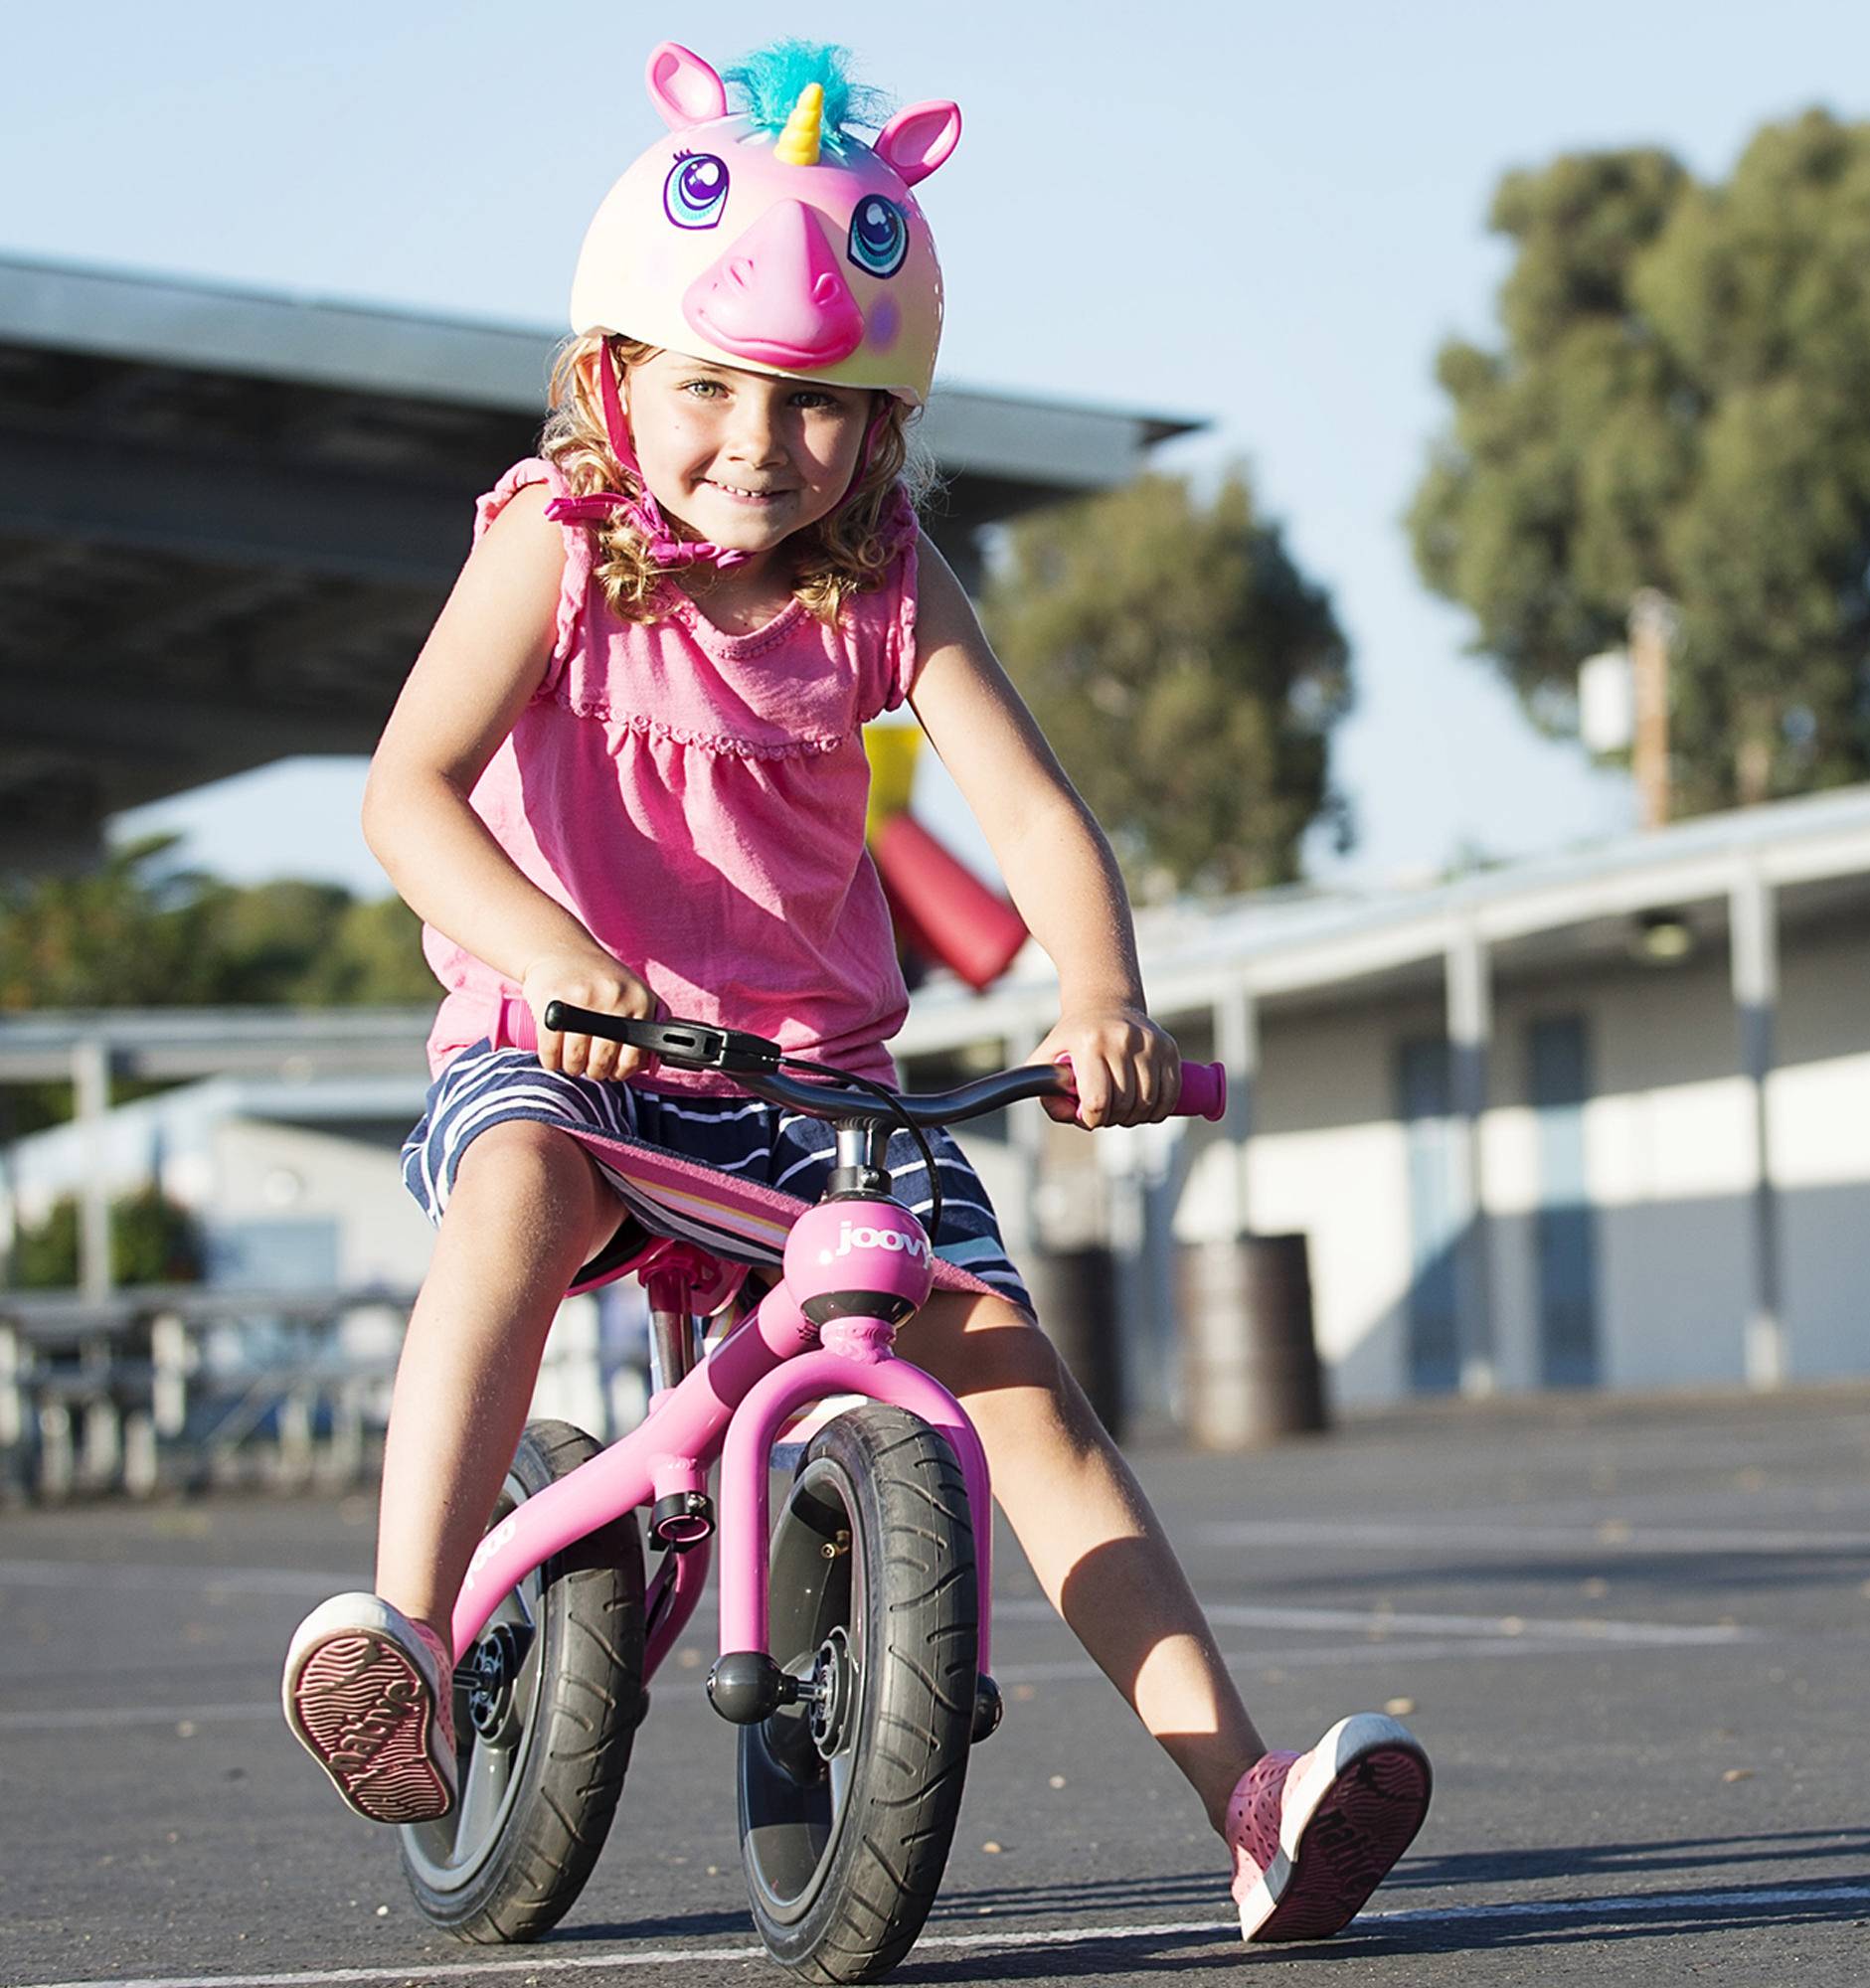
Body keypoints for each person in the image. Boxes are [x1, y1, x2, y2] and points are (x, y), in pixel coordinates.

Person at [279, 38, 1431, 1943]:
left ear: (884, 419)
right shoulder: (556, 549)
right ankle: (403, 1630)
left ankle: (1245, 1800)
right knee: (517, 1195)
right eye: (713, 385)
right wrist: (560, 958)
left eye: (819, 403)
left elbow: (1044, 821)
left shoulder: (884, 586)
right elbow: (406, 793)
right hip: (574, 1048)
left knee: (1019, 1391)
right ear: (611, 380)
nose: (759, 439)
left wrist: (1102, 992)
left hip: (819, 1089)